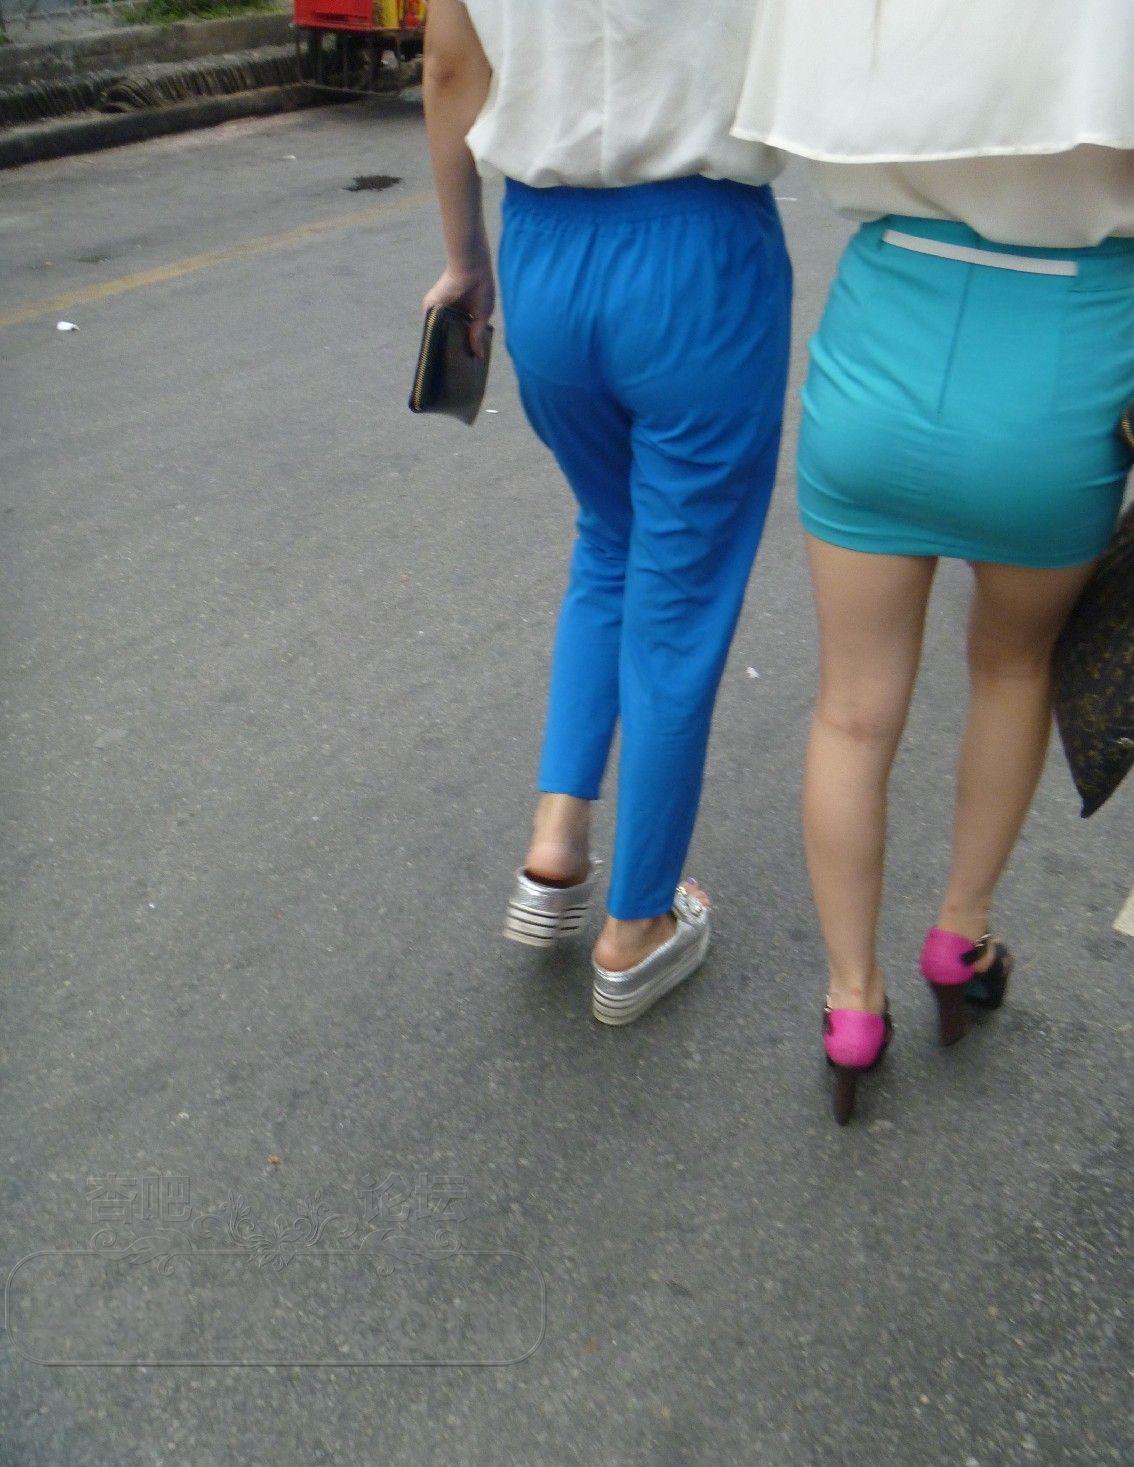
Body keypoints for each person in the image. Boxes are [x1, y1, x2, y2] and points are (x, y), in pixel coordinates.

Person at [731, 0, 1134, 1120]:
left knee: (853, 710)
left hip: (884, 328)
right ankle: (961, 934)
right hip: (1070, 350)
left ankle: (851, 1005)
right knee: (1014, 666)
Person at [421, 1, 791, 1023]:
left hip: (544, 252)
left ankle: (557, 838)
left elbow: (450, 70)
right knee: (679, 595)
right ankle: (636, 924)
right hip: (699, 251)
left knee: (610, 535)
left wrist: (467, 259)